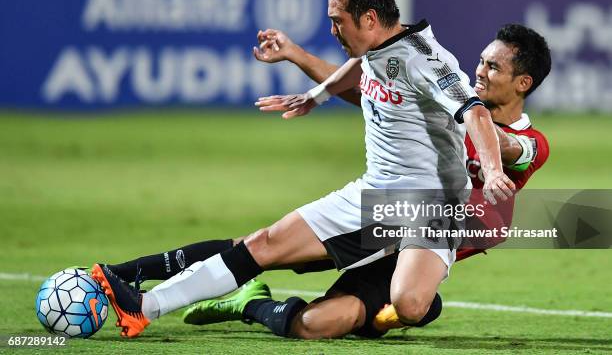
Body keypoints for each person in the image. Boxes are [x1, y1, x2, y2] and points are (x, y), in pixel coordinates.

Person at [90, 0, 515, 338]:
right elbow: (361, 69)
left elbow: (475, 112)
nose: (333, 30)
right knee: (264, 243)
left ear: (369, 18)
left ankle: (406, 297)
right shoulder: (378, 48)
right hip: (375, 192)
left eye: (338, 21)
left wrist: (493, 171)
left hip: (429, 205)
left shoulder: (427, 58)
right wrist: (315, 91)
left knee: (409, 304)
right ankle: (143, 306)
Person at [181, 23, 551, 339]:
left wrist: (479, 130)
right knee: (259, 246)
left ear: (523, 82)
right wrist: (297, 55)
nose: (480, 71)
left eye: (493, 67)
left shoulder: (526, 141)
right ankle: (142, 276)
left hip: (414, 251)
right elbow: (366, 91)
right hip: (385, 216)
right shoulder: (455, 102)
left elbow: (509, 146)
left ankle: (250, 302)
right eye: (481, 62)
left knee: (318, 324)